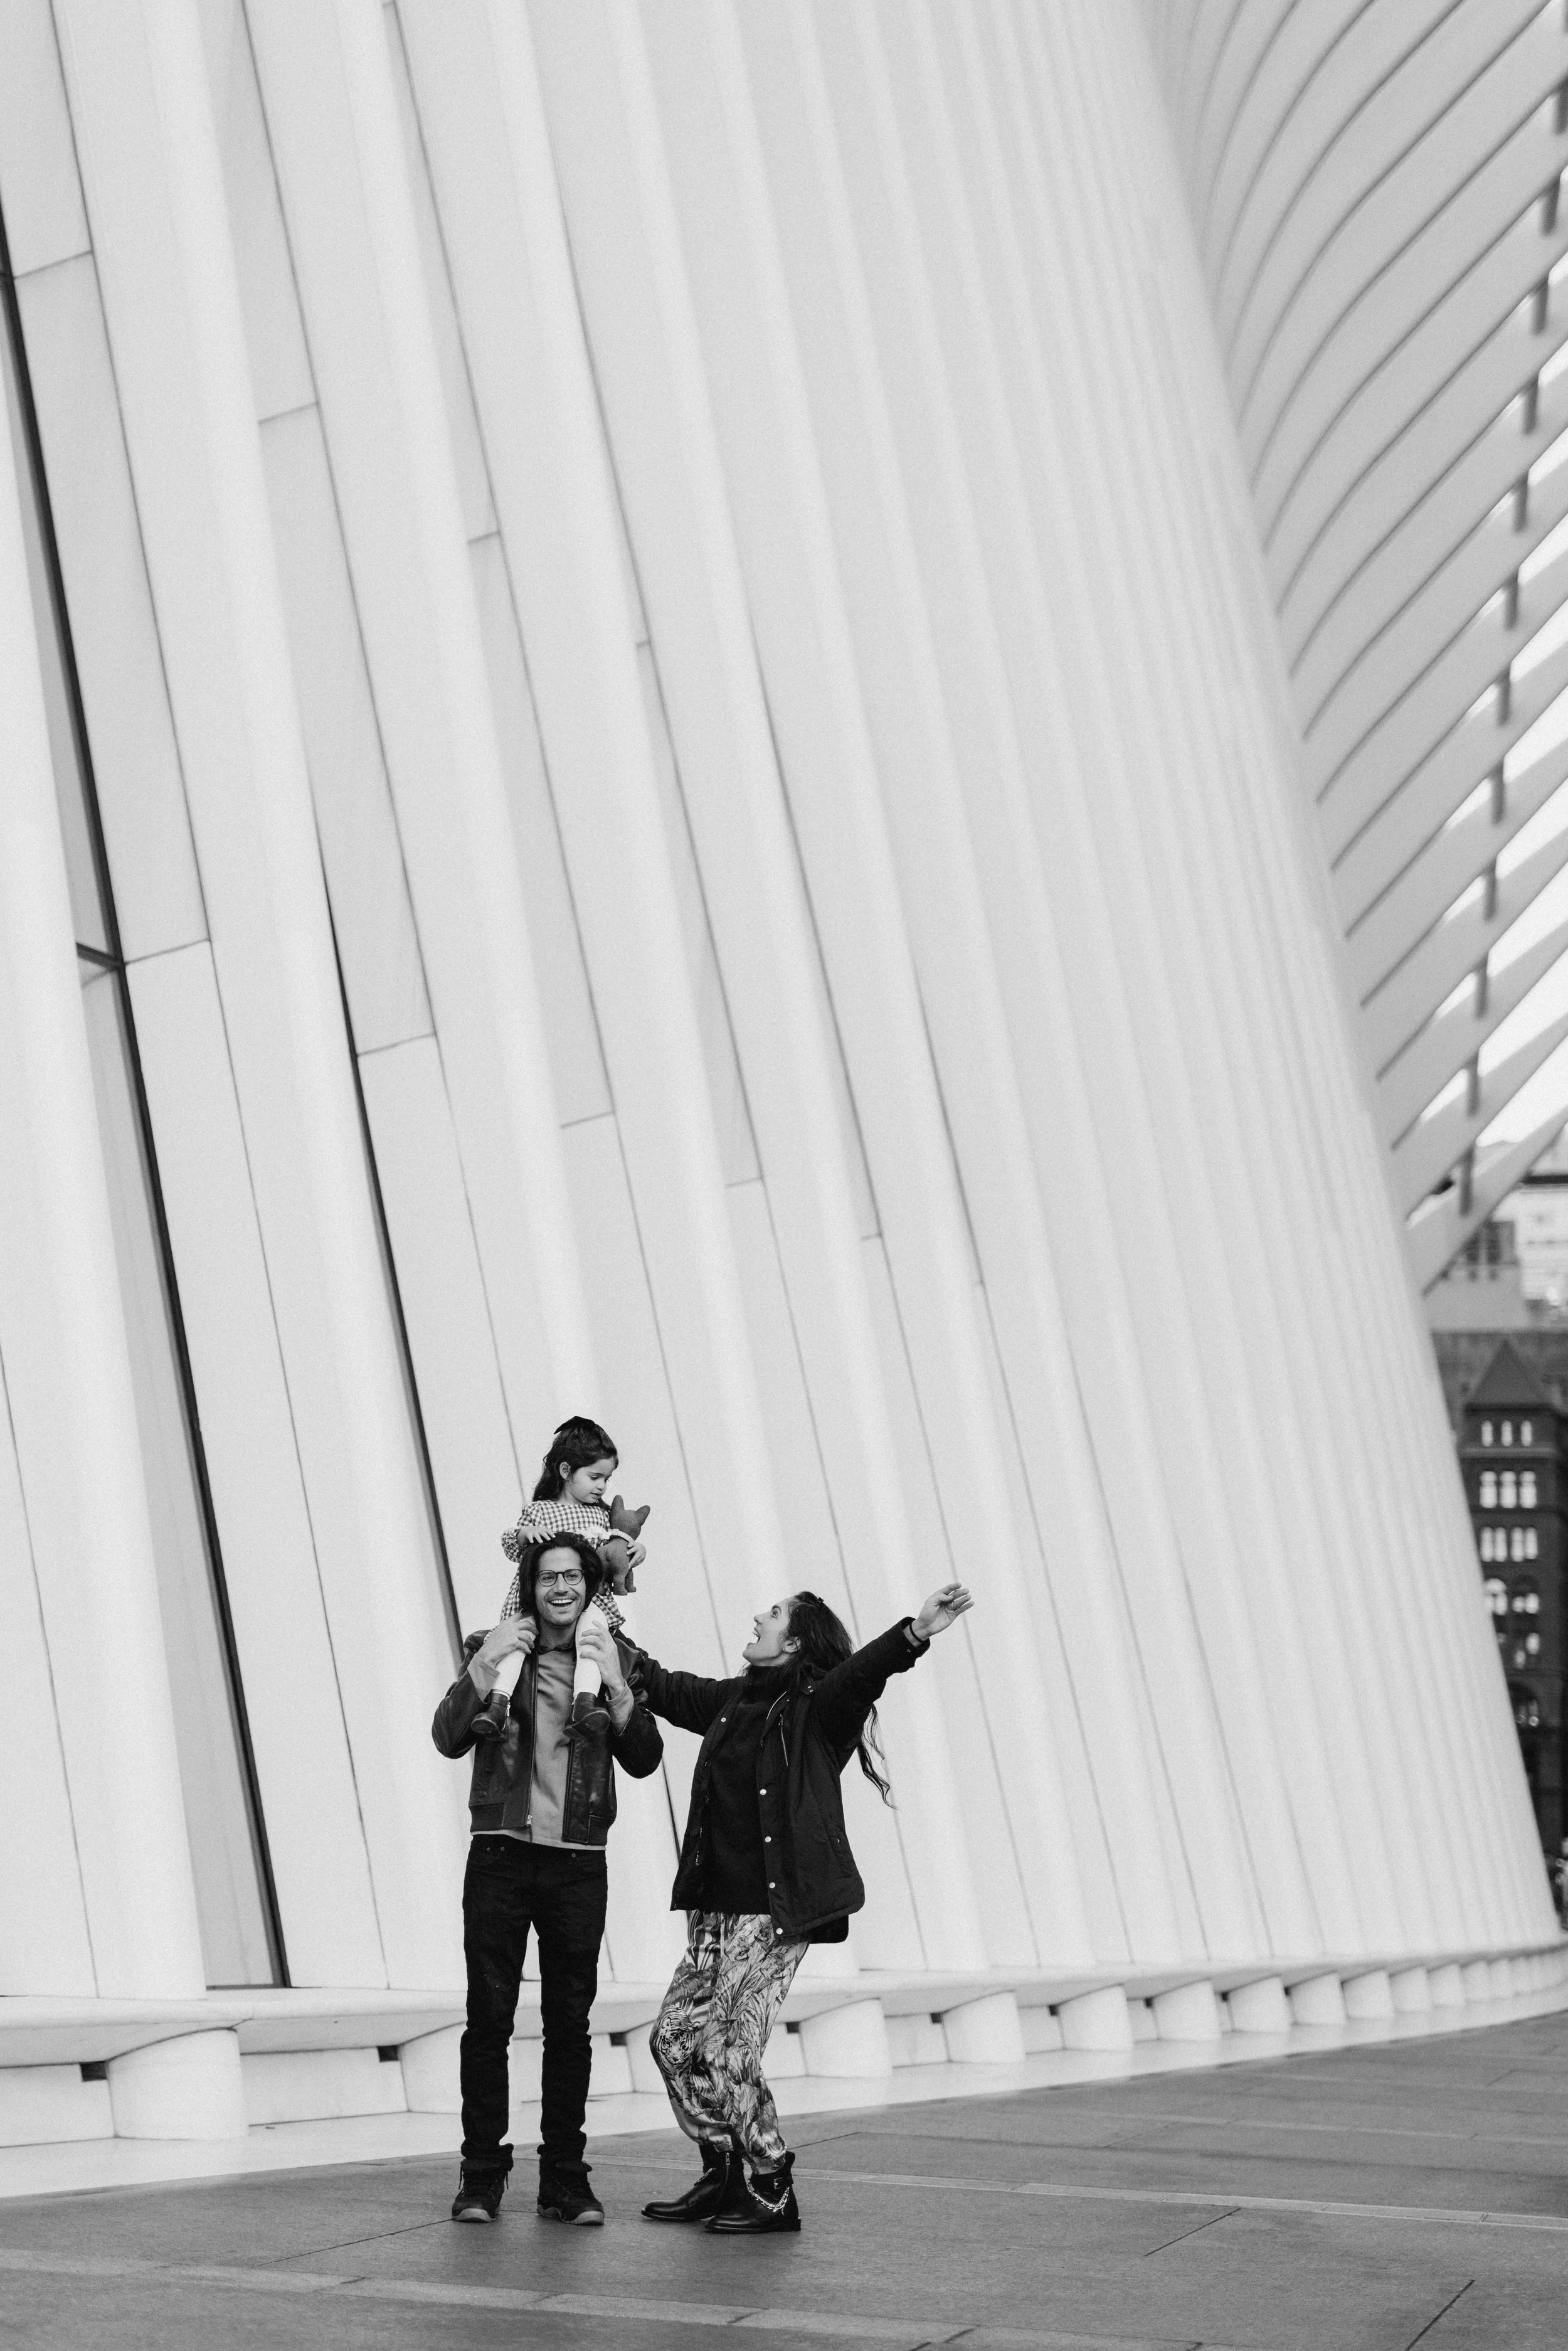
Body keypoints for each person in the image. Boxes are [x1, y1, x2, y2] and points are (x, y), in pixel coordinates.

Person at [613, 1579, 973, 2235]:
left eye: (773, 1613)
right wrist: (596, 1619)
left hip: (772, 1912)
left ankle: (771, 2184)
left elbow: (863, 1672)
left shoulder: (817, 1705)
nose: (757, 1615)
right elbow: (663, 1686)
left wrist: (915, 1632)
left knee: (728, 2049)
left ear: (797, 1640)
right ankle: (722, 2170)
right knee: (671, 2040)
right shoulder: (731, 1701)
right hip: (716, 1913)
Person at [432, 1530, 664, 2226]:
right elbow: (448, 1736)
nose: (559, 1588)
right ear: (528, 1587)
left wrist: (619, 1689)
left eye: (571, 1577)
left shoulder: (615, 1656)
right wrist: (483, 1663)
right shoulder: (498, 1646)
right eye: (546, 1578)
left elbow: (646, 1757)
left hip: (576, 1863)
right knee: (488, 2021)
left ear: (590, 1586)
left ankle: (565, 2178)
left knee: (570, 2023)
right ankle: (481, 2177)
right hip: (500, 1855)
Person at [478, 1416, 650, 1742]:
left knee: (593, 1644)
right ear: (566, 1472)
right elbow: (510, 1544)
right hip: (539, 1600)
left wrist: (636, 1549)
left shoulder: (602, 1516)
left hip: (591, 1600)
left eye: (607, 1479)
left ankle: (584, 1703)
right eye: (595, 1477)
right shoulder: (541, 1511)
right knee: (517, 1644)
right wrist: (525, 1534)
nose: (601, 1486)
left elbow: (616, 1547)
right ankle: (498, 1705)